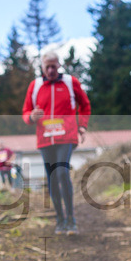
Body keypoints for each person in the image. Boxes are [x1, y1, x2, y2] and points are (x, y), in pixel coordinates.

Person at [22, 47, 91, 235]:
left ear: (59, 65)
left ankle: (71, 219)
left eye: (54, 66)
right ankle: (60, 220)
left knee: (62, 172)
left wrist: (82, 126)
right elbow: (26, 113)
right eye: (47, 67)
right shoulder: (35, 86)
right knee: (52, 178)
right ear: (42, 67)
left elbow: (84, 105)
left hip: (66, 136)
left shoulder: (70, 83)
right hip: (45, 139)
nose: (51, 70)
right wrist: (31, 117)